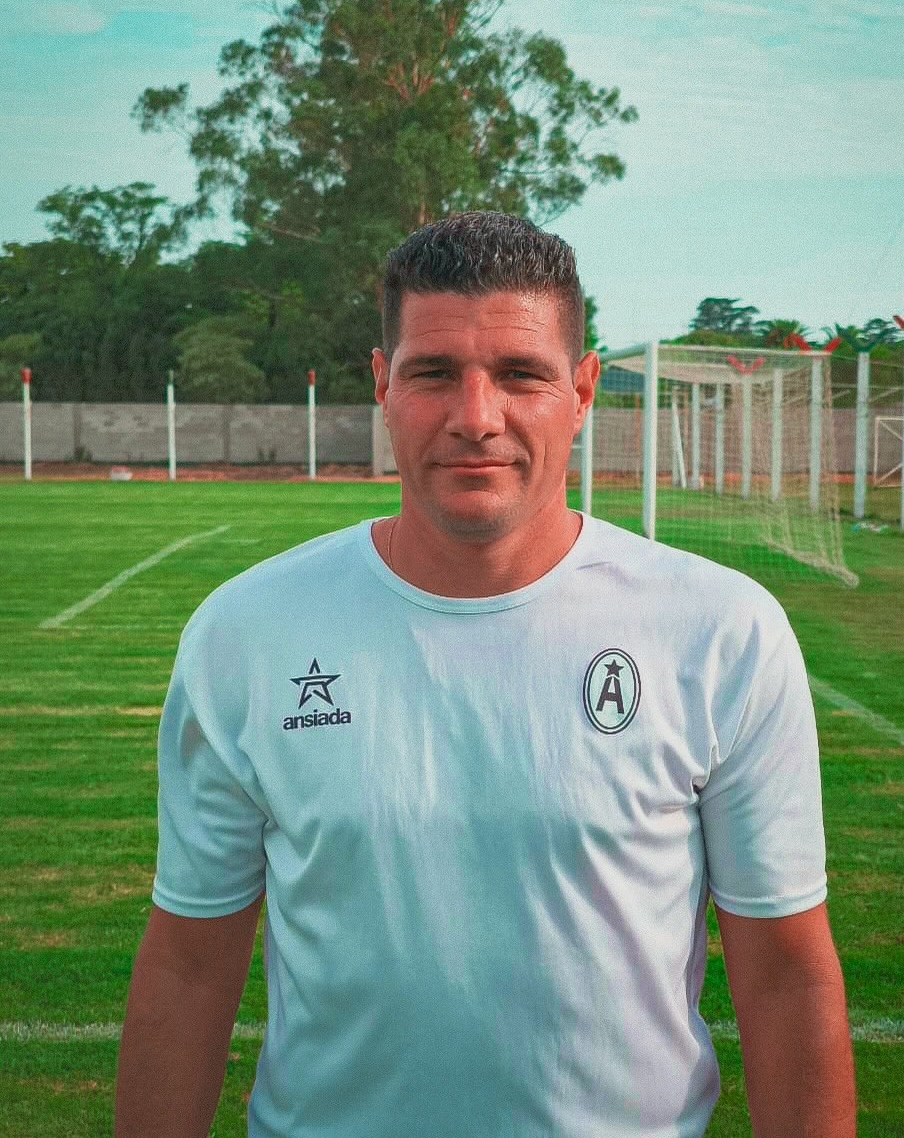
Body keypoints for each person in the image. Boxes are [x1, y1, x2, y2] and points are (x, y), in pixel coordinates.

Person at [115, 211, 855, 1138]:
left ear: (581, 390)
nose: (475, 417)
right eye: (433, 373)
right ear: (382, 384)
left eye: (520, 374)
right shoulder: (248, 631)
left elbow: (785, 972)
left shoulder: (720, 628)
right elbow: (189, 963)